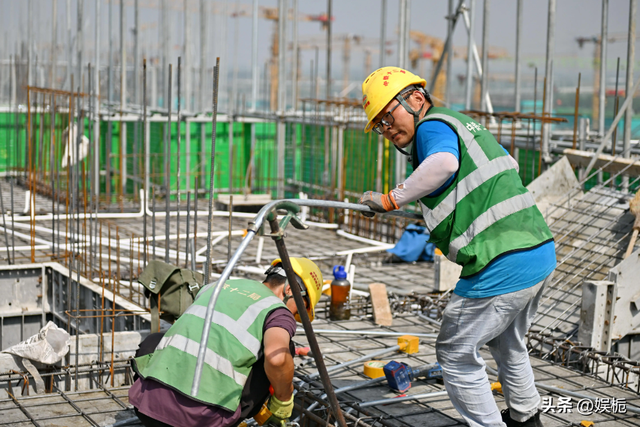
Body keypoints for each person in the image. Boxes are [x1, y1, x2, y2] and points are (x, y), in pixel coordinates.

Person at [358, 67, 556, 427]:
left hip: (500, 260)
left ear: (416, 99)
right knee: (507, 342)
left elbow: (445, 164)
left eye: (388, 117)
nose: (387, 131)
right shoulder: (462, 124)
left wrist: (391, 199)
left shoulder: (432, 126)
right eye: (381, 127)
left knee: (455, 352)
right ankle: (527, 419)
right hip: (537, 251)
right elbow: (498, 170)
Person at [129, 257, 324, 427]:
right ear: (290, 289)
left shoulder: (215, 286)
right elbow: (277, 359)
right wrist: (284, 399)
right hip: (201, 421)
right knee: (283, 349)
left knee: (157, 340)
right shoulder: (277, 311)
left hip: (147, 408)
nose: (294, 315)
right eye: (299, 309)